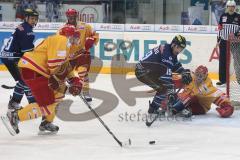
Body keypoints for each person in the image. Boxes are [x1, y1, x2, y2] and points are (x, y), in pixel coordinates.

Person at [1, 25, 84, 135]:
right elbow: (55, 66)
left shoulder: (63, 44)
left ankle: (46, 122)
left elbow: (64, 65)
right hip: (35, 71)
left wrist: (74, 79)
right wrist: (65, 84)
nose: (76, 41)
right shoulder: (62, 40)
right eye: (75, 37)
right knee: (47, 105)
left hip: (35, 70)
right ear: (69, 36)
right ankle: (15, 116)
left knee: (57, 96)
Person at [135, 35, 193, 117]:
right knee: (164, 88)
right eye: (178, 47)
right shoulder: (166, 52)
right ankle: (154, 109)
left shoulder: (170, 51)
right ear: (173, 44)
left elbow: (175, 65)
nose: (179, 50)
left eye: (181, 49)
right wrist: (170, 91)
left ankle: (153, 108)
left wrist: (183, 72)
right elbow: (166, 73)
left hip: (148, 71)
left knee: (165, 88)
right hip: (143, 72)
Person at [0, 9, 38, 111]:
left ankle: (14, 103)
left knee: (23, 80)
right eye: (32, 19)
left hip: (8, 56)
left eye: (35, 19)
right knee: (26, 80)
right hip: (12, 57)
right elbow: (27, 51)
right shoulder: (27, 31)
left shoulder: (23, 26)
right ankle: (33, 104)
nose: (34, 21)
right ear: (26, 18)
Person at [60, 8, 99, 102]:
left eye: (73, 15)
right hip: (69, 57)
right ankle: (60, 93)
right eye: (69, 15)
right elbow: (58, 41)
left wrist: (92, 40)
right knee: (62, 75)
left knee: (83, 73)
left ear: (76, 15)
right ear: (67, 16)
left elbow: (95, 34)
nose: (71, 17)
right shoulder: (62, 28)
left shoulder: (84, 26)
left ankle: (86, 92)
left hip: (82, 55)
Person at [216, 0, 240, 86]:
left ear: (235, 7)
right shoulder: (223, 16)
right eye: (229, 6)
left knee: (237, 61)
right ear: (227, 7)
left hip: (235, 42)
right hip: (224, 41)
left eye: (233, 6)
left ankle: (239, 80)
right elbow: (219, 28)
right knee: (222, 61)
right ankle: (223, 80)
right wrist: (218, 39)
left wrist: (236, 34)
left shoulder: (238, 17)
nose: (231, 8)